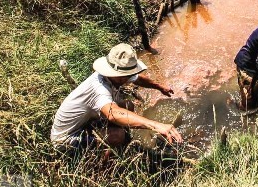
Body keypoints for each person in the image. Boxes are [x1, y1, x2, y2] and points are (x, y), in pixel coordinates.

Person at [51, 43, 182, 152]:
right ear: (113, 73)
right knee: (117, 135)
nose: (128, 79)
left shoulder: (116, 75)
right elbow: (112, 114)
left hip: (84, 123)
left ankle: (122, 143)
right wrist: (155, 125)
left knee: (128, 106)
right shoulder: (99, 88)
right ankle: (103, 167)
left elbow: (138, 79)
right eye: (125, 76)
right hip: (66, 140)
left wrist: (160, 87)